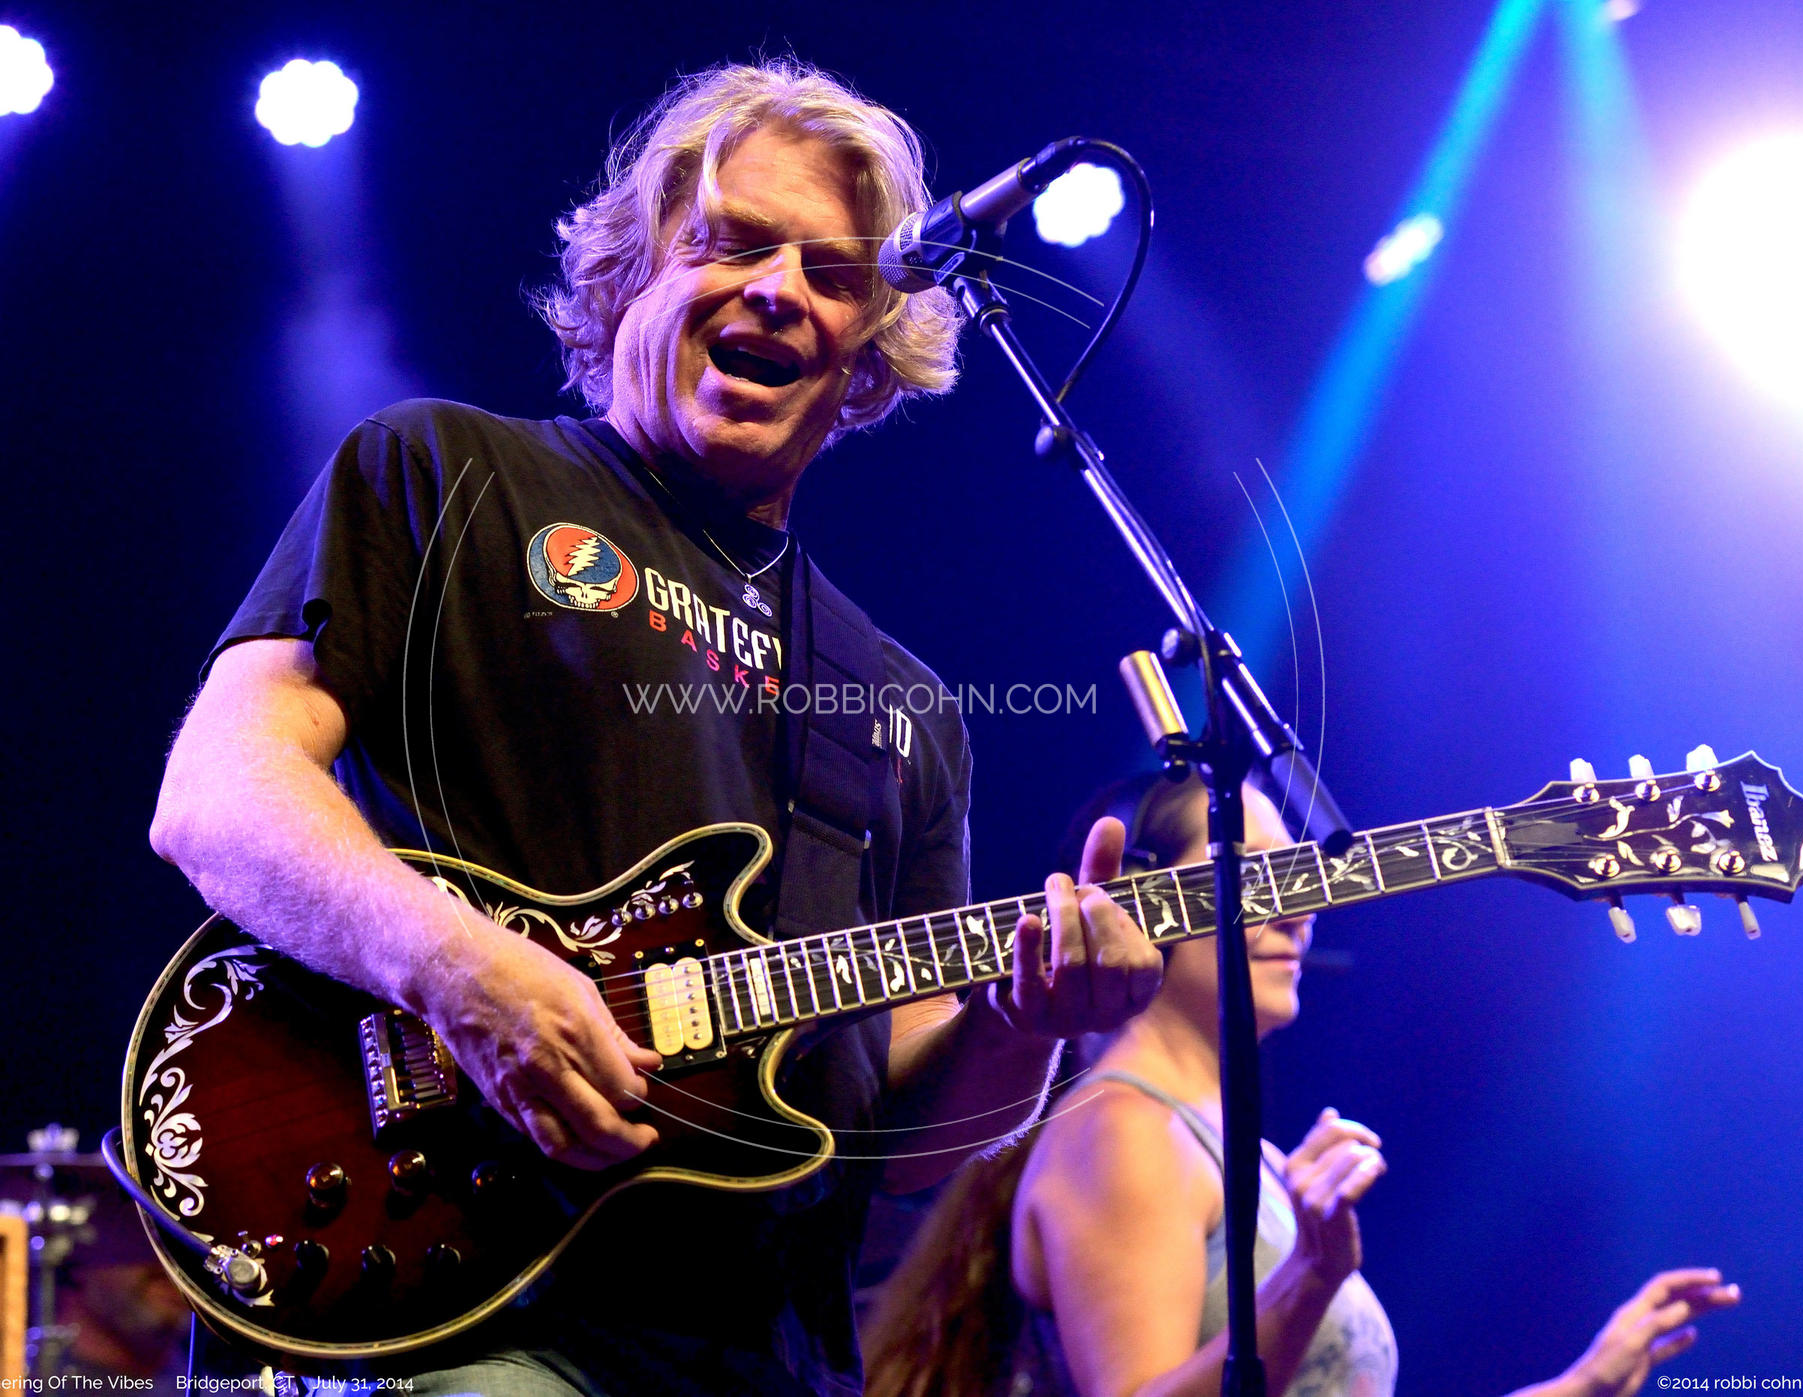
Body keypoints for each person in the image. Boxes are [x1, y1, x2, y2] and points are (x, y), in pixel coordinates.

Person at [148, 60, 1163, 1397]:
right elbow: (217, 792)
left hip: (769, 1348)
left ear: (869, 354)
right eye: (734, 242)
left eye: (834, 274)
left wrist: (1034, 1025)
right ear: (636, 268)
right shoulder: (448, 472)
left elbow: (905, 1136)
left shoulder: (902, 704)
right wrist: (458, 969)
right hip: (462, 1302)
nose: (781, 289)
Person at [861, 773, 1742, 1397]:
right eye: (1255, 877)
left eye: (1298, 877)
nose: (1298, 908)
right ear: (1141, 900)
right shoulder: (1121, 1129)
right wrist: (1311, 1276)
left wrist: (1579, 1385)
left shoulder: (1231, 1147)